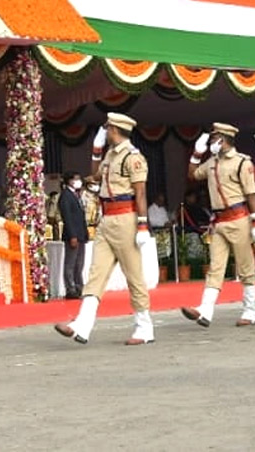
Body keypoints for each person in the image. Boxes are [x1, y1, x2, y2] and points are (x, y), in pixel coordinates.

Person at [55, 113, 155, 345]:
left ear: (116, 130)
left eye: (107, 129)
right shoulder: (111, 154)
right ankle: (83, 324)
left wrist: (142, 224)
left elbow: (140, 192)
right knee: (96, 273)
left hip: (125, 218)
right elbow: (96, 174)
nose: (106, 131)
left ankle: (144, 326)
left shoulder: (133, 157)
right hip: (106, 218)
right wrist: (96, 149)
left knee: (134, 276)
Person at [181, 123, 255, 328]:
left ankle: (250, 310)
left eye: (214, 138)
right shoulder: (211, 162)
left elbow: (251, 192)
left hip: (238, 218)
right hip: (219, 222)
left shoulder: (241, 162)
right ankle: (205, 310)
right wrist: (196, 153)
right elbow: (192, 174)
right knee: (215, 267)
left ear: (223, 139)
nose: (211, 141)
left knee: (245, 267)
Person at [58, 171, 88, 299]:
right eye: (76, 179)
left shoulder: (76, 195)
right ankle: (70, 289)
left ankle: (79, 287)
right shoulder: (65, 196)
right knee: (70, 263)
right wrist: (72, 236)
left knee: (79, 264)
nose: (78, 181)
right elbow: (68, 218)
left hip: (80, 234)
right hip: (73, 235)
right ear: (69, 181)